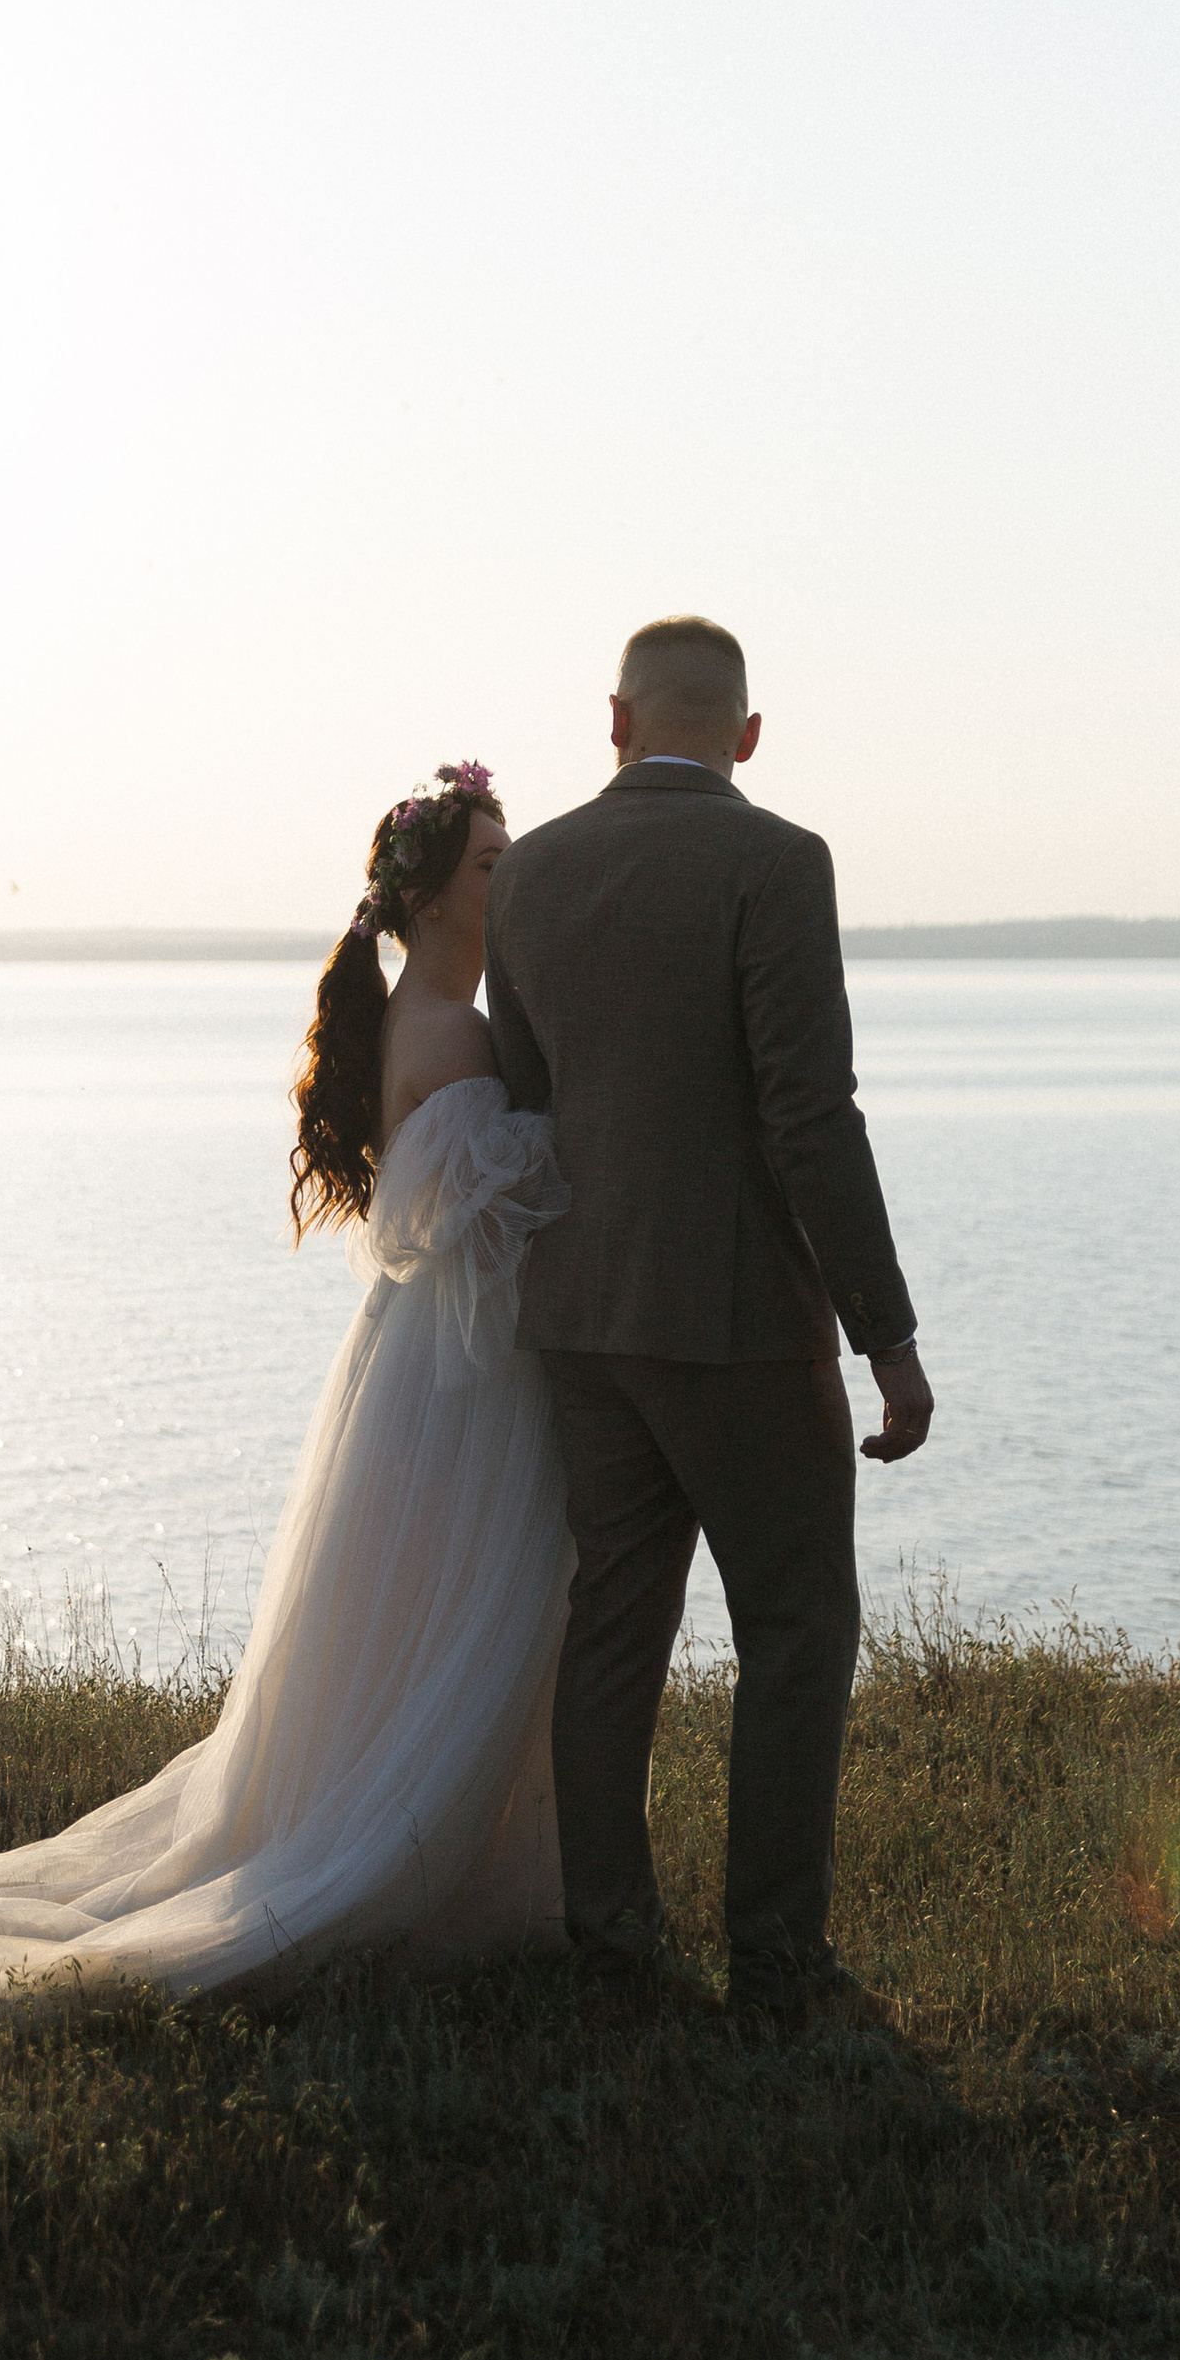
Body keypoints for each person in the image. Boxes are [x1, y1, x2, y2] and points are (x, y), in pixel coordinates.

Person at [0, 762, 575, 2020]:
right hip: (458, 1379)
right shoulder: (454, 1035)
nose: (514, 882)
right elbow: (489, 1230)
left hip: (414, 1363)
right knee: (459, 1618)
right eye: (494, 867)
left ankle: (438, 1850)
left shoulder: (419, 1023)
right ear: (433, 902)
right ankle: (409, 1867)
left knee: (407, 1627)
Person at [484, 613, 931, 2020]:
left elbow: (525, 1100)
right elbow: (811, 1115)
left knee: (614, 1621)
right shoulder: (777, 863)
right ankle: (778, 1964)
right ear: (746, 737)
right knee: (798, 1625)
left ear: (614, 722)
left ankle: (612, 1946)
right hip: (736, 1317)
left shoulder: (533, 872)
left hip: (580, 1311)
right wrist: (888, 1337)